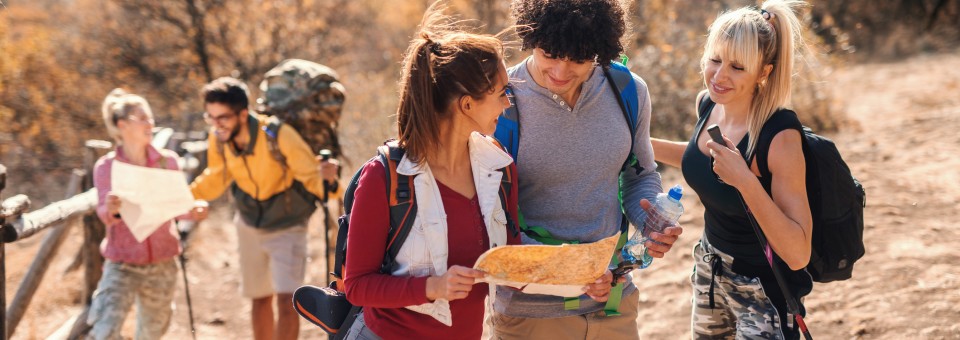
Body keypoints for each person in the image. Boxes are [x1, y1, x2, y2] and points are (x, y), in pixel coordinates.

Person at [490, 1, 683, 339]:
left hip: (613, 302)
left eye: (580, 60)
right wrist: (573, 272)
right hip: (533, 312)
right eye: (550, 54)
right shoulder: (499, 100)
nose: (562, 72)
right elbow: (489, 215)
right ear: (530, 35)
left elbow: (639, 174)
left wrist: (651, 219)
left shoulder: (628, 91)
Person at [340, 4, 519, 340]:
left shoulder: (500, 168)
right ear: (467, 105)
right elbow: (357, 285)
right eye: (500, 94)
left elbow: (510, 257)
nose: (507, 104)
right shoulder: (383, 177)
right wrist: (433, 286)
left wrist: (579, 273)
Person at [650, 0, 814, 338]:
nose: (719, 76)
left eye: (738, 67)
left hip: (762, 291)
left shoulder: (779, 136)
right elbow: (698, 157)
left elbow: (798, 254)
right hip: (709, 271)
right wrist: (639, 143)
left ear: (764, 73)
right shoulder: (709, 103)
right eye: (715, 60)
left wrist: (745, 181)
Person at [188, 77, 341, 340]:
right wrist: (184, 198)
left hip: (288, 224)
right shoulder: (220, 139)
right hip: (249, 223)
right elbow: (216, 177)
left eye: (222, 117)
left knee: (288, 300)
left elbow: (311, 177)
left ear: (243, 113)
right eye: (210, 117)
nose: (216, 125)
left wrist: (333, 185)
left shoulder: (278, 134)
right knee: (259, 300)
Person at [89, 89, 209, 339]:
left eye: (150, 118)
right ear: (122, 125)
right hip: (122, 263)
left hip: (163, 262)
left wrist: (195, 210)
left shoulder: (168, 161)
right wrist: (110, 209)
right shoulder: (107, 167)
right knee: (105, 331)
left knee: (152, 334)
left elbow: (177, 207)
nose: (150, 124)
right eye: (141, 118)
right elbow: (104, 212)